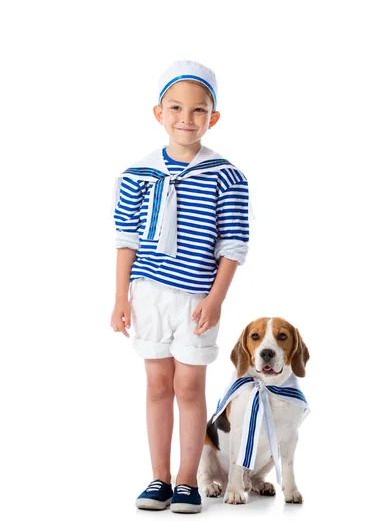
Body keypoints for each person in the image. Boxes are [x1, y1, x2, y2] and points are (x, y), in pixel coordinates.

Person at [110, 60, 250, 514]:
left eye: (198, 110)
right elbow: (126, 240)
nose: (185, 118)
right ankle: (159, 478)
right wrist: (120, 298)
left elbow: (233, 243)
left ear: (213, 117)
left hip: (195, 297)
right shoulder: (138, 173)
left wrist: (216, 298)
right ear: (159, 113)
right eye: (175, 108)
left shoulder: (225, 174)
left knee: (188, 385)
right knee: (156, 385)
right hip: (149, 294)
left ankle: (188, 478)